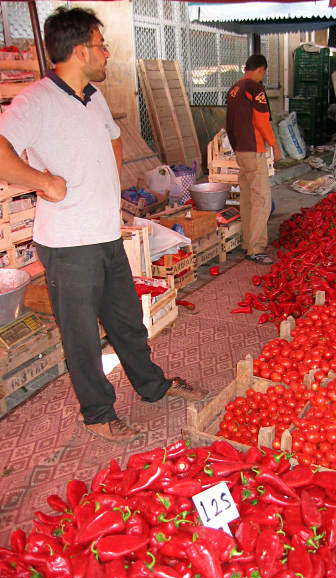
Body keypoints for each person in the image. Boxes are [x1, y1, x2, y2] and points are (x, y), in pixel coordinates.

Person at [0, 7, 207, 444]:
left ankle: (152, 386)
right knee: (81, 337)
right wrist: (43, 182)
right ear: (80, 50)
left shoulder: (93, 96)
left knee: (127, 321)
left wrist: (107, 187)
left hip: (106, 234)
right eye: (101, 45)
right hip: (67, 243)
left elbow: (112, 137)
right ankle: (97, 413)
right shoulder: (36, 101)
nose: (107, 53)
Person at [226, 54, 281, 265]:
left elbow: (229, 123)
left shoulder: (234, 89)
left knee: (248, 198)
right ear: (261, 69)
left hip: (241, 150)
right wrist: (273, 144)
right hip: (254, 149)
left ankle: (247, 243)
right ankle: (256, 248)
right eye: (263, 73)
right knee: (262, 200)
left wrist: (236, 147)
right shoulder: (254, 87)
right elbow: (261, 120)